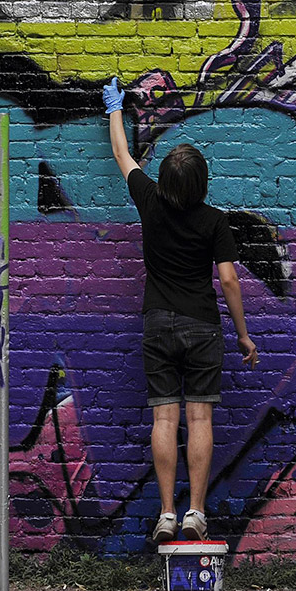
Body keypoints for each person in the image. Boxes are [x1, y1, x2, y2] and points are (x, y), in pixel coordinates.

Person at [103, 77, 258, 543]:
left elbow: (122, 156)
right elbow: (228, 279)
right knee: (200, 419)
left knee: (164, 419)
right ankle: (195, 512)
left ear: (166, 182)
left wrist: (114, 109)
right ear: (202, 183)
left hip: (158, 323)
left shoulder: (150, 202)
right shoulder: (214, 221)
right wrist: (243, 334)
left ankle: (166, 513)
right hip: (202, 326)